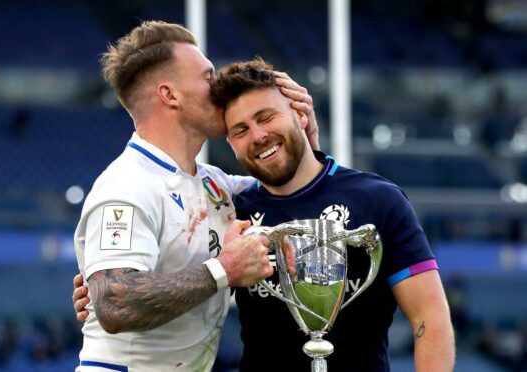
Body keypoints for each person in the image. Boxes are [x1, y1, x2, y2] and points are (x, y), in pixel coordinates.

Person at [75, 58, 455, 371]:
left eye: (267, 117)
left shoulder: (379, 199)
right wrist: (97, 288)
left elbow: (430, 317)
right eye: (240, 129)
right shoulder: (232, 207)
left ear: (300, 114)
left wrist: (309, 153)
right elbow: (130, 284)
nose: (257, 135)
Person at [72, 21, 317, 372]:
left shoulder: (214, 183)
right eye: (207, 76)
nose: (218, 87)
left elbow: (292, 191)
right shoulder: (126, 187)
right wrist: (225, 269)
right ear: (170, 95)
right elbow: (115, 303)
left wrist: (305, 135)